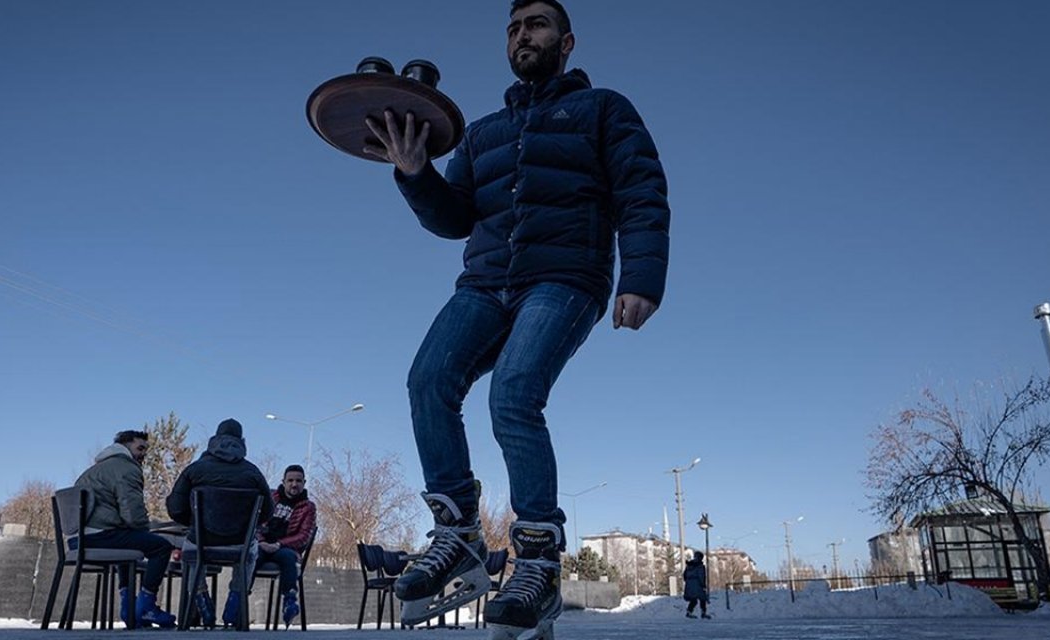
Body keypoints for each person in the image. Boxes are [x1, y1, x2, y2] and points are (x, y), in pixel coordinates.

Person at [363, 0, 670, 635]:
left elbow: (642, 190)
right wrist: (415, 174)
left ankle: (536, 563)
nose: (521, 35)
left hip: (563, 279)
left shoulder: (602, 108)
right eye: (512, 29)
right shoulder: (483, 132)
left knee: (513, 395)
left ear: (567, 41)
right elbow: (453, 220)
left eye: (535, 24)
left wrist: (641, 277)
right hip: (484, 283)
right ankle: (461, 535)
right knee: (428, 382)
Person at [165, 418, 272, 628]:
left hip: (200, 540)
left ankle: (202, 603)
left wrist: (195, 523)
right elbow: (267, 511)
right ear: (242, 442)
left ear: (214, 440)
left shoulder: (194, 469)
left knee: (191, 555)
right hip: (239, 543)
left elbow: (176, 508)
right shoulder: (253, 473)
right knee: (251, 552)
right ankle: (234, 604)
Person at [74, 429, 177, 628]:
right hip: (100, 534)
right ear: (125, 445)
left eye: (146, 450)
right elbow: (132, 512)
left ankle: (128, 607)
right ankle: (146, 606)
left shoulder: (97, 469)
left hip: (81, 536)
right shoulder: (126, 468)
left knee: (127, 542)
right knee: (161, 547)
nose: (143, 454)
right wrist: (145, 529)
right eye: (140, 448)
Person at [256, 464, 318, 628]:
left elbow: (303, 536)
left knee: (288, 558)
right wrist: (262, 541)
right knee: (250, 556)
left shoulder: (308, 507)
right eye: (290, 480)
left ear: (304, 483)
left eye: (298, 481)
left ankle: (290, 600)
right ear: (283, 482)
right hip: (262, 544)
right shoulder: (270, 499)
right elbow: (255, 524)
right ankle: (238, 598)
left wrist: (278, 544)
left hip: (286, 548)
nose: (294, 484)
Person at [683, 551, 711, 619]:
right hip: (697, 584)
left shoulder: (689, 565)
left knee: (693, 599)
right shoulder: (700, 566)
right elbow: (701, 576)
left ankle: (689, 612)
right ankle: (703, 613)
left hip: (689, 585)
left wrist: (688, 582)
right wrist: (703, 585)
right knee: (702, 598)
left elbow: (684, 575)